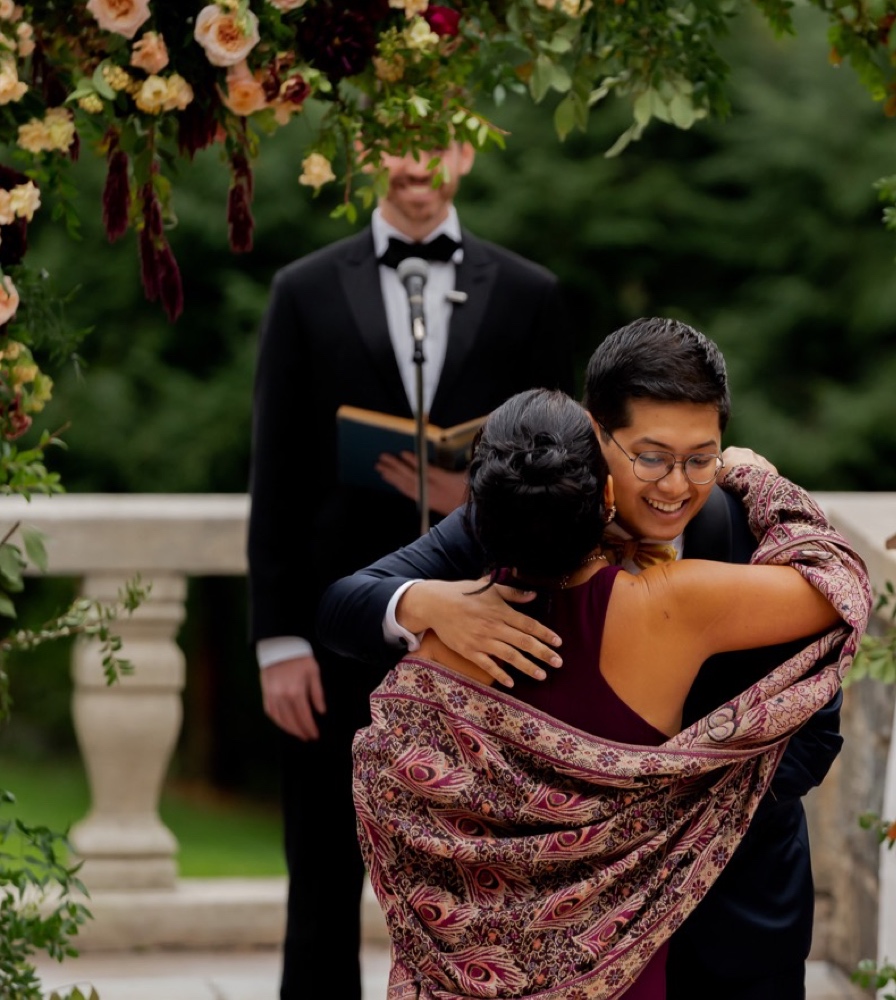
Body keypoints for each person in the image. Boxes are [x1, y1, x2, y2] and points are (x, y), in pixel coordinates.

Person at [319, 317, 845, 999]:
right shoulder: (515, 507)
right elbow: (340, 606)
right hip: (552, 942)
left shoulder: (751, 529)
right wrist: (426, 602)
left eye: (702, 457)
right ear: (598, 437)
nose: (677, 485)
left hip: (738, 917)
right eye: (651, 457)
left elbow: (819, 724)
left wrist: (676, 820)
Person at [248, 142, 573, 1000]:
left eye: (433, 144)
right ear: (361, 154)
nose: (413, 165)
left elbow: (569, 463)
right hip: (335, 629)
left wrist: (480, 495)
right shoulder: (303, 290)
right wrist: (278, 640)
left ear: (464, 152)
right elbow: (274, 477)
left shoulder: (531, 292)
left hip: (489, 631)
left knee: (487, 880)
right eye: (392, 143)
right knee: (319, 876)